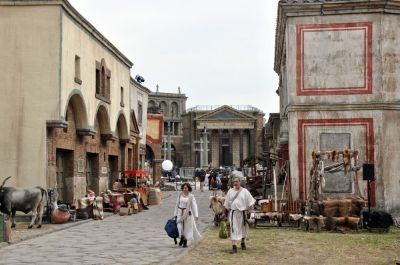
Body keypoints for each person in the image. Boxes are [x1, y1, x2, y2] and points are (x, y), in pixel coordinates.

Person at [223, 177, 255, 254]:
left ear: (240, 182)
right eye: (234, 182)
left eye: (236, 181)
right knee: (233, 228)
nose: (235, 183)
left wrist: (252, 212)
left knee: (243, 228)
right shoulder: (230, 191)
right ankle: (234, 246)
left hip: (242, 213)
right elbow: (226, 203)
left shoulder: (244, 191)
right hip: (233, 213)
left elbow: (250, 202)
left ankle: (242, 242)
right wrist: (224, 213)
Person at [174, 183, 201, 248]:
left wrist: (196, 215)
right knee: (179, 227)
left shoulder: (191, 196)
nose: (185, 189)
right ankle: (182, 237)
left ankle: (185, 241)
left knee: (186, 228)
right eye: (183, 188)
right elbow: (176, 204)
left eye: (186, 188)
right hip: (180, 213)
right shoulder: (180, 195)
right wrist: (175, 214)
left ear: (188, 188)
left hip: (187, 214)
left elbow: (194, 206)